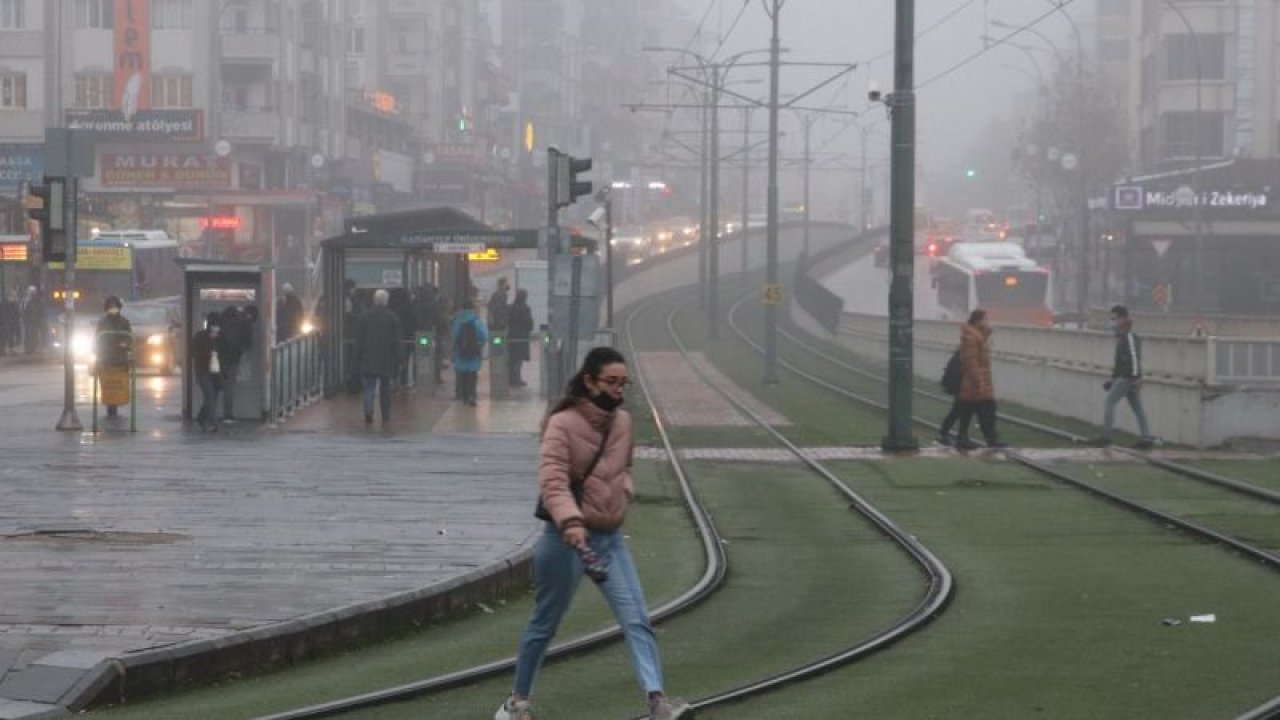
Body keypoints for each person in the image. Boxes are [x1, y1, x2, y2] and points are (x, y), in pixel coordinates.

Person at [495, 347, 691, 720]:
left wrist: (623, 492)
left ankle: (657, 702)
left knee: (636, 618)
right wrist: (571, 522)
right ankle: (517, 703)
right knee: (545, 622)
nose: (619, 390)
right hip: (565, 541)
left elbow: (626, 467)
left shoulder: (624, 423)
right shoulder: (562, 423)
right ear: (589, 381)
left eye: (623, 383)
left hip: (609, 539)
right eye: (611, 382)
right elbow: (553, 481)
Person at [1091, 305, 1156, 449]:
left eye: (1114, 319)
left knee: (1110, 402)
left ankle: (1106, 437)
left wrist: (1136, 378)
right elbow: (1120, 363)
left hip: (1128, 378)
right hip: (1125, 377)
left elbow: (1134, 358)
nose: (1112, 322)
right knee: (1137, 407)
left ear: (1123, 319)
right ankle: (1146, 437)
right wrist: (1113, 379)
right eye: (1111, 319)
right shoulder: (1121, 338)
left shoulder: (1129, 337)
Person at [953, 308, 1005, 450]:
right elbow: (971, 362)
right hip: (976, 382)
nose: (988, 322)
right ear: (978, 321)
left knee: (968, 410)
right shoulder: (971, 338)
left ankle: (963, 438)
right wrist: (979, 382)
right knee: (987, 409)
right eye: (985, 319)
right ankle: (991, 439)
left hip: (976, 382)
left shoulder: (977, 336)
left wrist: (987, 332)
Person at [354, 288, 403, 424]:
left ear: (374, 301)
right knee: (385, 389)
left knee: (369, 386)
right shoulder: (392, 318)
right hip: (386, 359)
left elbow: (359, 341)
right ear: (386, 302)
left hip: (368, 358)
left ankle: (368, 411)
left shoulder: (364, 317)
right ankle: (385, 414)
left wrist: (357, 357)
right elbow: (396, 341)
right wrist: (400, 358)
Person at [95, 296, 133, 418]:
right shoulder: (102, 322)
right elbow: (97, 338)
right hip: (106, 357)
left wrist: (125, 344)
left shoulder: (124, 321)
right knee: (108, 383)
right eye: (110, 307)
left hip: (120, 357)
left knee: (118, 383)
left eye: (115, 306)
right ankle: (110, 406)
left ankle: (115, 405)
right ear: (106, 308)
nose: (113, 309)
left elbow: (129, 337)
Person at [450, 296, 487, 406]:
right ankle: (472, 395)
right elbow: (484, 336)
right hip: (473, 352)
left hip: (460, 352)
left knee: (462, 374)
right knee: (472, 375)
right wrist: (479, 344)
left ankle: (463, 396)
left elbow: (454, 336)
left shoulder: (458, 320)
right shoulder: (476, 320)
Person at [190, 312, 223, 432]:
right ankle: (212, 423)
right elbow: (193, 353)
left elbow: (225, 353)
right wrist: (208, 353)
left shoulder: (220, 338)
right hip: (203, 370)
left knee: (213, 396)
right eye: (214, 325)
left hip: (216, 372)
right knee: (210, 396)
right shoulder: (200, 336)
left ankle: (201, 418)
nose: (216, 328)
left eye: (218, 325)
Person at [217, 306, 249, 423]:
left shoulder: (220, 321)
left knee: (218, 386)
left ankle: (212, 413)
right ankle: (228, 415)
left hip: (220, 359)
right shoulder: (241, 322)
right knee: (229, 387)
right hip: (234, 359)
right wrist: (241, 351)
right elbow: (248, 340)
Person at [507, 288, 534, 387]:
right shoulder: (526, 308)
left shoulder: (511, 307)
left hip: (511, 336)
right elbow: (529, 323)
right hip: (522, 337)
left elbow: (507, 321)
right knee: (519, 360)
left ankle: (510, 378)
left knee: (512, 359)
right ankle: (516, 379)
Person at [0, 290, 17, 355]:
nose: (14, 298)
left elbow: (14, 313)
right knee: (6, 336)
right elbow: (5, 313)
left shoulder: (12, 304)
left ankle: (8, 349)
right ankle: (3, 350)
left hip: (9, 322)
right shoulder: (5, 304)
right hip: (5, 322)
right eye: (13, 296)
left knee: (10, 336)